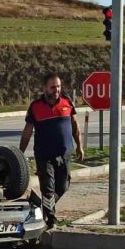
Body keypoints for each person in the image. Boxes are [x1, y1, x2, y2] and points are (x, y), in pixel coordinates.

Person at [20, 73, 84, 229]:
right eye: (53, 87)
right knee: (48, 189)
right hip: (44, 156)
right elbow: (27, 132)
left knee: (63, 187)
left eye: (59, 86)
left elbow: (75, 126)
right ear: (45, 88)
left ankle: (44, 206)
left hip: (65, 154)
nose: (57, 90)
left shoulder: (67, 101)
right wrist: (20, 153)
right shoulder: (35, 107)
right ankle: (51, 220)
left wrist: (79, 146)